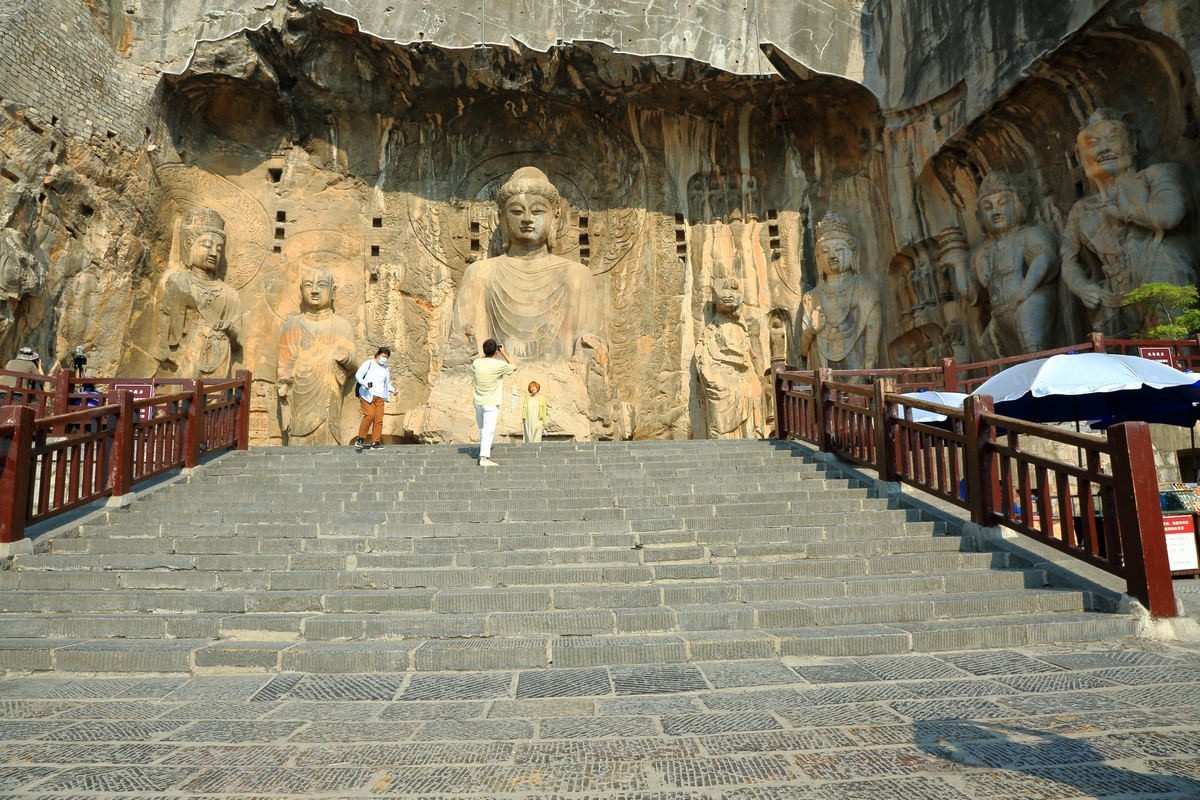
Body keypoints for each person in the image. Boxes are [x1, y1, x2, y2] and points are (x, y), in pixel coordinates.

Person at [1061, 108, 1195, 336]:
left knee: (1172, 343)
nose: (1102, 149)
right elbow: (1068, 259)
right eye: (1092, 144)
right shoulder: (1081, 209)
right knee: (1122, 361)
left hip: (1159, 270)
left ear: (1131, 141)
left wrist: (1128, 212)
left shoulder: (1157, 175)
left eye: (1112, 139)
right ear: (1079, 156)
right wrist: (1082, 287)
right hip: (1113, 295)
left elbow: (1170, 215)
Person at [965, 171, 1059, 356]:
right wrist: (959, 266)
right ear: (979, 216)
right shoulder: (982, 251)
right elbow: (976, 292)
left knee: (1032, 342)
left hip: (1029, 301)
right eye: (988, 207)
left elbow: (1044, 259)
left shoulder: (1030, 234)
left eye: (1003, 203)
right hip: (1000, 312)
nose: (995, 211)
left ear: (1019, 205)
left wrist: (1024, 292)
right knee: (988, 345)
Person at [155, 207, 243, 379]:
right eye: (206, 245)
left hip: (218, 356)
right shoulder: (178, 281)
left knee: (214, 400)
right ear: (189, 245)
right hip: (185, 356)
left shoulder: (229, 294)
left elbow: (238, 337)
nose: (213, 253)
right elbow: (165, 324)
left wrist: (229, 328)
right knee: (183, 397)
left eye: (218, 249)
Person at [277, 267, 357, 445]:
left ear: (332, 291)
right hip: (300, 393)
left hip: (329, 390)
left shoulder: (341, 326)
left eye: (321, 285)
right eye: (308, 285)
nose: (314, 290)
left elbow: (353, 364)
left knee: (328, 434)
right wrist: (283, 381)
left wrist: (345, 358)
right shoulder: (292, 326)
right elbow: (285, 362)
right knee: (297, 434)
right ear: (301, 290)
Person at [800, 212, 882, 371]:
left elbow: (872, 343)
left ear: (854, 253)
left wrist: (870, 365)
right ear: (817, 257)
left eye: (839, 249)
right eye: (825, 251)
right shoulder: (811, 297)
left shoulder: (866, 289)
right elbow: (803, 350)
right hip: (822, 369)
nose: (832, 256)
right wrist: (811, 330)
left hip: (857, 369)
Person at [473, 338, 514, 466]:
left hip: (478, 402)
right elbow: (514, 366)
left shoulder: (477, 362)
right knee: (488, 430)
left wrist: (489, 353)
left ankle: (483, 451)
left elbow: (479, 362)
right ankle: (484, 458)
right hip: (491, 402)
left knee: (482, 429)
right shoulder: (498, 365)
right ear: (496, 351)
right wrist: (503, 353)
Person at [353, 347, 397, 450]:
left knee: (378, 419)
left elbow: (386, 384)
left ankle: (375, 442)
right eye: (383, 356)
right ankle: (360, 439)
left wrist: (394, 390)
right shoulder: (369, 363)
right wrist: (364, 384)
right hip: (367, 395)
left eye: (386, 357)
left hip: (380, 397)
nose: (384, 359)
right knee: (369, 415)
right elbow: (358, 375)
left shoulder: (385, 369)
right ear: (378, 355)